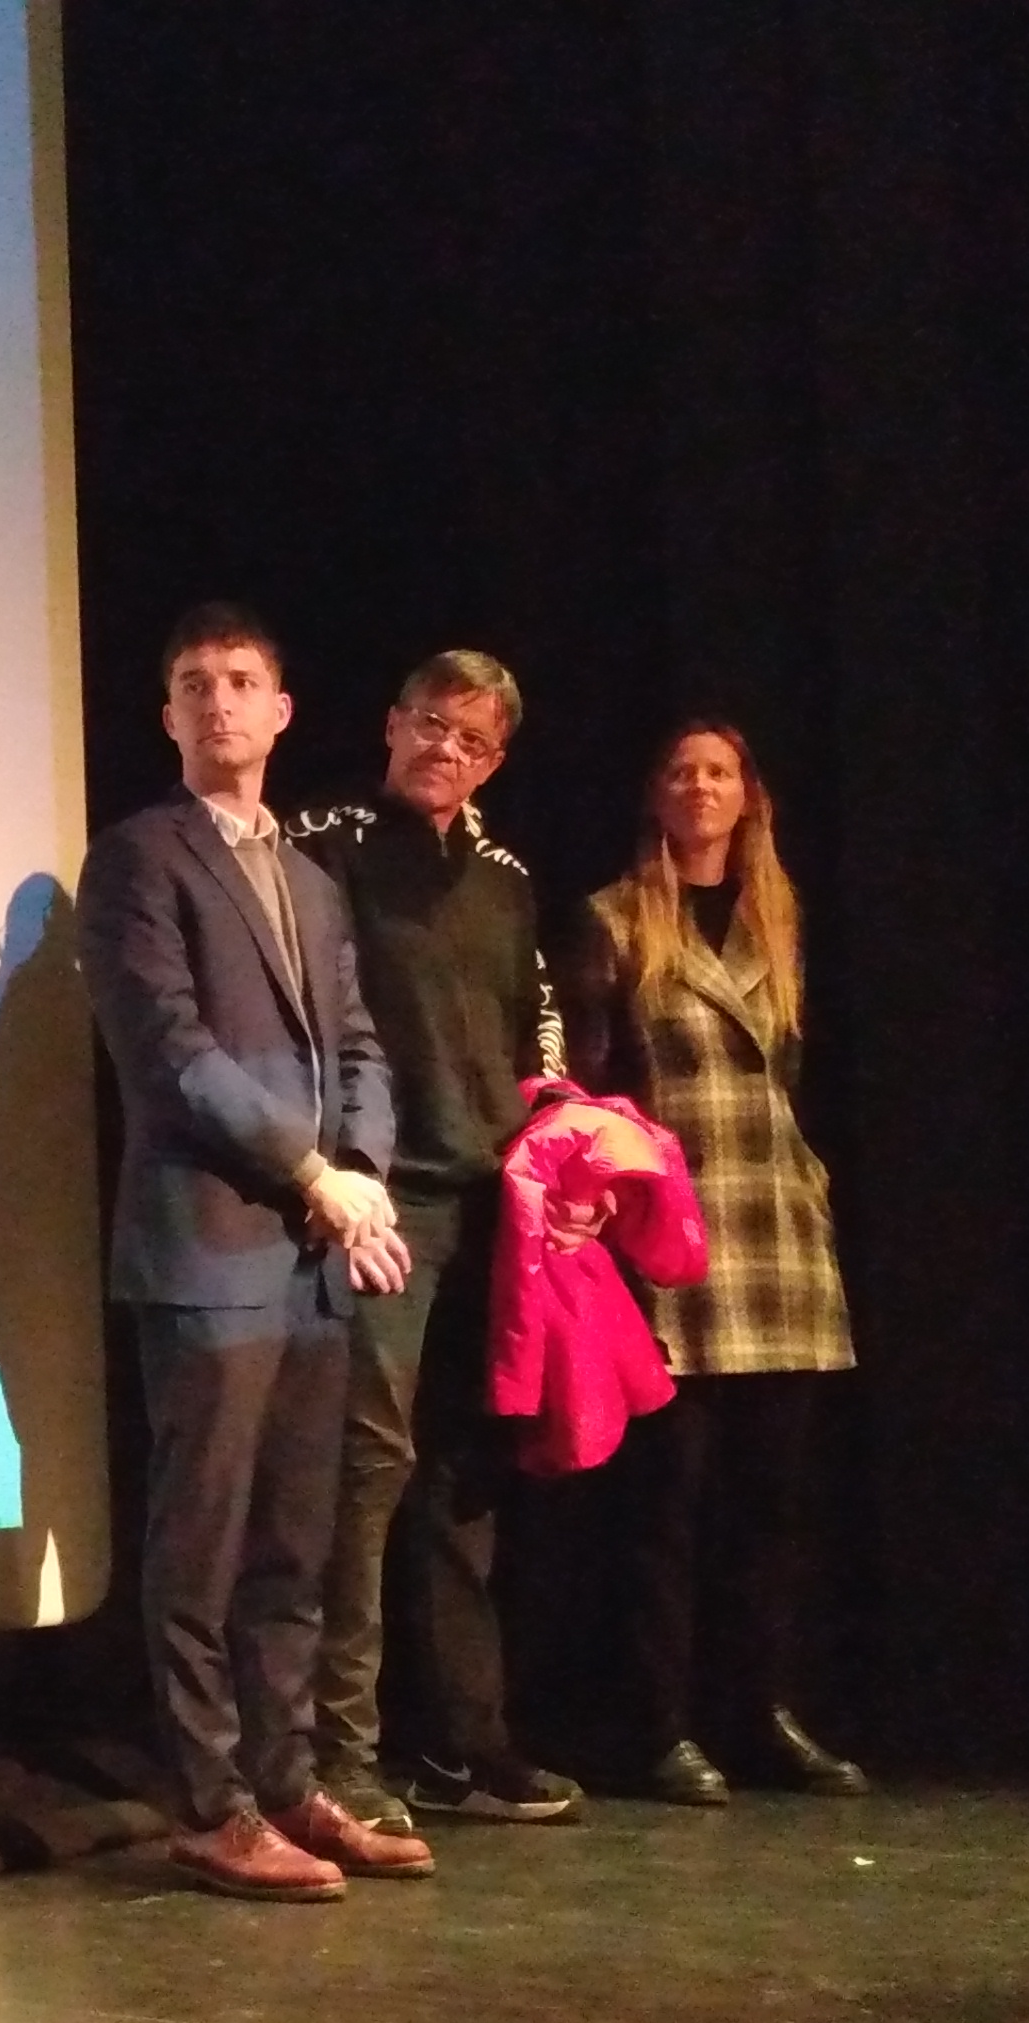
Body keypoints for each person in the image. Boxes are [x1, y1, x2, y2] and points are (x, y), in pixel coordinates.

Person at [81, 603, 433, 1901]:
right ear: (167, 716)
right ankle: (209, 1801)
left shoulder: (312, 882)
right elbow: (172, 1055)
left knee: (295, 1545)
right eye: (193, 684)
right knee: (203, 1546)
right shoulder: (138, 860)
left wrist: (367, 1177)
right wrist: (311, 1173)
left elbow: (359, 1046)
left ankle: (286, 1783)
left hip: (311, 1260)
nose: (218, 701)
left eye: (240, 681)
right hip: (209, 1251)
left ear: (281, 712)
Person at [288, 650, 588, 1830]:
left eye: (469, 741)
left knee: (464, 1475)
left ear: (494, 762)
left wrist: (556, 1143)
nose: (442, 750)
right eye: (428, 723)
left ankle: (465, 1743)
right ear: (390, 721)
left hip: (491, 1201)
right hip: (383, 1202)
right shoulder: (325, 844)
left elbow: (537, 1024)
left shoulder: (504, 877)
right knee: (366, 1476)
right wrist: (332, 1172)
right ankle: (340, 1756)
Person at [564, 722, 872, 1805]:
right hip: (671, 1240)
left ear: (748, 796)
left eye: (720, 772)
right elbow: (587, 1086)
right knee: (666, 1504)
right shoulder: (612, 919)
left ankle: (759, 1712)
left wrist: (813, 1183)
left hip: (774, 1238)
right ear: (655, 793)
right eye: (681, 771)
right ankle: (655, 1724)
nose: (700, 787)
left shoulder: (777, 921)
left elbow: (799, 1078)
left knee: (767, 1505)